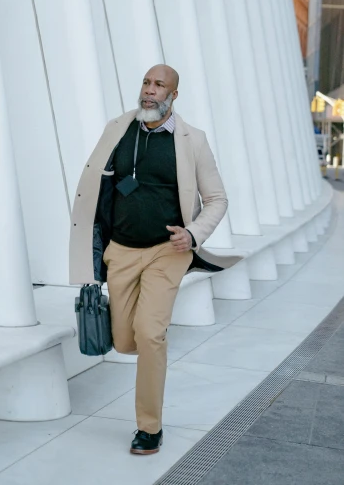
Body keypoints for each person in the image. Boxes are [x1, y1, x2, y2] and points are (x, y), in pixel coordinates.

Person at [70, 65, 240, 455]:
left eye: (159, 85)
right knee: (126, 339)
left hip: (168, 251)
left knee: (149, 332)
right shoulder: (118, 129)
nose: (149, 91)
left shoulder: (191, 140)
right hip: (122, 251)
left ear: (173, 95)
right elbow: (95, 183)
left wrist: (194, 233)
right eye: (146, 83)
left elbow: (217, 198)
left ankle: (149, 428)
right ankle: (144, 346)